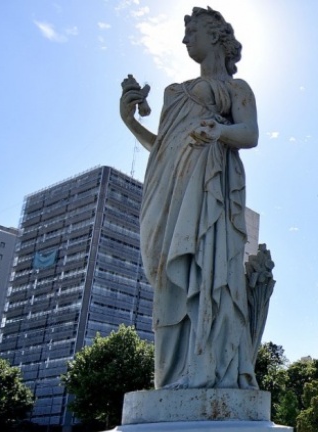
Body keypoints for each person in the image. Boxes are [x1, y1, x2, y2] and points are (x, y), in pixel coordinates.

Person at [119, 7, 259, 390]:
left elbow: (249, 134)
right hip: (173, 189)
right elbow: (163, 149)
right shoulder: (173, 92)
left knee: (208, 271)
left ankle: (205, 368)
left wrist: (219, 132)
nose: (184, 40)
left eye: (191, 31)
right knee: (170, 275)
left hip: (212, 187)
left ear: (214, 35)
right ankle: (171, 377)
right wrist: (131, 122)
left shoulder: (236, 88)